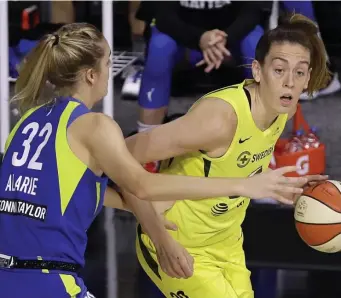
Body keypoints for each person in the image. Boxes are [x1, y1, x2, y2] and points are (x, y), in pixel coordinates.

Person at [0, 23, 306, 298]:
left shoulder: (25, 124)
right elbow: (143, 184)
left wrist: (133, 206)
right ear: (91, 75)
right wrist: (246, 185)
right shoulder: (95, 126)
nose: (112, 71)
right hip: (49, 280)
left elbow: (63, 192)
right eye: (109, 62)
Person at [124, 13, 331, 298]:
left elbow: (237, 162)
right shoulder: (219, 120)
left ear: (307, 78)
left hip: (227, 242)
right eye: (279, 70)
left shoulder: (283, 109)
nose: (289, 82)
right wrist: (158, 236)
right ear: (258, 71)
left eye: (299, 72)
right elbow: (122, 155)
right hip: (179, 244)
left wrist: (287, 187)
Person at [135, 1, 270, 161]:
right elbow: (162, 15)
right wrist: (199, 38)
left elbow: (252, 12)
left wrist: (225, 38)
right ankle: (147, 148)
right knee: (160, 47)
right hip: (182, 38)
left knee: (254, 44)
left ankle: (263, 140)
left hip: (229, 39)